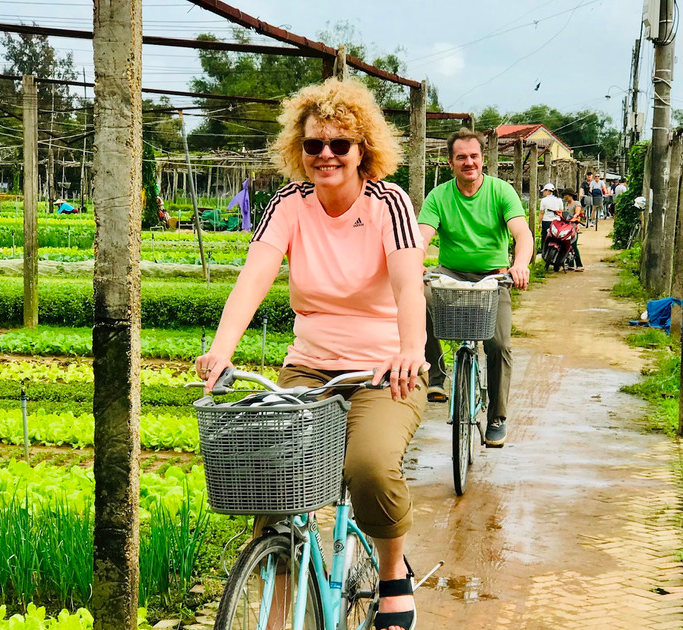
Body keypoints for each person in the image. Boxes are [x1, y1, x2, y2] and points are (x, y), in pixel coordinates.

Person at [194, 78, 426, 630]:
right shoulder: (289, 204)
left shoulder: (388, 203)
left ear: (363, 149)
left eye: (339, 145)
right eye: (313, 145)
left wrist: (410, 349)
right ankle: (279, 616)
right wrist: (220, 352)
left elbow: (408, 287)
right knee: (272, 484)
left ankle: (393, 574)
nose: (326, 155)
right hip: (308, 367)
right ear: (297, 150)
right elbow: (253, 279)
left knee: (368, 468)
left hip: (382, 369)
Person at [419, 128, 534, 448]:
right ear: (451, 162)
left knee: (498, 344)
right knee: (417, 296)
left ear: (483, 159)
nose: (468, 162)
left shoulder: (501, 192)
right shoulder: (439, 196)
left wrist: (520, 264)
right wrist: (413, 264)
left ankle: (497, 416)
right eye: (461, 157)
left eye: (474, 156)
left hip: (494, 278)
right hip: (450, 273)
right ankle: (436, 377)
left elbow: (522, 234)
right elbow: (421, 237)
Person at [561, 190, 585, 271]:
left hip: (573, 227)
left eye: (565, 195)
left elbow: (577, 213)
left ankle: (579, 265)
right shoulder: (566, 204)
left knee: (573, 245)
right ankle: (570, 264)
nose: (564, 197)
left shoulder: (576, 203)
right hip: (566, 227)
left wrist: (574, 217)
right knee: (567, 245)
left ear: (570, 195)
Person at [538, 183, 564, 256]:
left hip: (546, 222)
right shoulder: (559, 200)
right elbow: (561, 211)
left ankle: (544, 252)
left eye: (544, 191)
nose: (543, 193)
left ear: (548, 191)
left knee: (545, 237)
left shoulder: (544, 200)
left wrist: (539, 224)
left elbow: (541, 213)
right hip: (557, 222)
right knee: (557, 237)